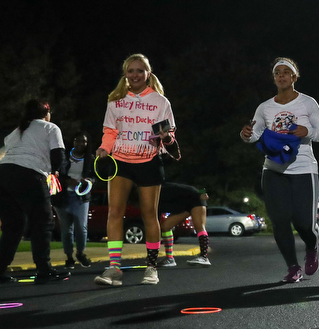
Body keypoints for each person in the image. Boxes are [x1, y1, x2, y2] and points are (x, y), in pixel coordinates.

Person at [240, 57, 319, 283]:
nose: (281, 76)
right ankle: (293, 267)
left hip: (303, 169)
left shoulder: (308, 103)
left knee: (304, 223)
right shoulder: (265, 107)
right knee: (280, 221)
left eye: (285, 72)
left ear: (294, 77)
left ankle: (312, 246)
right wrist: (245, 135)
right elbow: (255, 135)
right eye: (277, 73)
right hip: (273, 169)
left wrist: (306, 132)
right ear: (274, 78)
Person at [94, 53, 178, 287]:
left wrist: (166, 137)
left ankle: (151, 268)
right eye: (130, 71)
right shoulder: (115, 100)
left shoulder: (161, 102)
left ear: (148, 74)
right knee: (114, 212)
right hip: (121, 161)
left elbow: (170, 136)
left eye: (139, 70)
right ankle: (114, 269)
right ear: (125, 74)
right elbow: (110, 132)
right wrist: (104, 148)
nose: (135, 75)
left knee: (149, 215)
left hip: (149, 161)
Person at [0, 99, 70, 285]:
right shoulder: (50, 128)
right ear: (46, 113)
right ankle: (44, 270)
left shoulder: (15, 132)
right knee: (42, 222)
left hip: (2, 174)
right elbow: (58, 155)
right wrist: (55, 171)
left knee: (13, 226)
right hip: (29, 174)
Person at [51, 131, 95, 270]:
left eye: (84, 141)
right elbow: (56, 175)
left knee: (81, 227)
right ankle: (69, 257)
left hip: (81, 197)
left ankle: (81, 253)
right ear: (73, 142)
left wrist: (87, 181)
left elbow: (94, 177)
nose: (80, 144)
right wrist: (68, 181)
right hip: (63, 197)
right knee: (66, 230)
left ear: (87, 144)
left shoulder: (90, 158)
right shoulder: (64, 157)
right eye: (78, 140)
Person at [157, 182, 212, 267]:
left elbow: (186, 188)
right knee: (165, 227)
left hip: (196, 199)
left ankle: (204, 257)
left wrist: (198, 194)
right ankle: (169, 259)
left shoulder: (163, 189)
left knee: (199, 227)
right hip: (182, 206)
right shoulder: (151, 198)